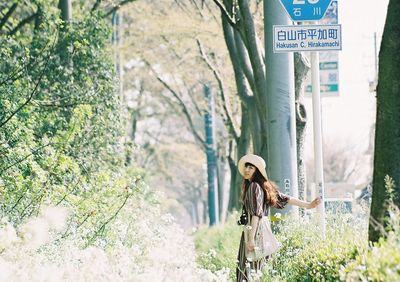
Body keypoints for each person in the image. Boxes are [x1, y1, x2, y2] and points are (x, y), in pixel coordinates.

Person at [236, 154, 321, 282]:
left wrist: (251, 239)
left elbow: (256, 214)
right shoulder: (263, 187)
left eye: (251, 168)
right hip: (262, 232)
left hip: (254, 231)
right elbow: (287, 199)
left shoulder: (254, 186)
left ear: (257, 171)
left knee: (247, 270)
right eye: (246, 167)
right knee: (259, 269)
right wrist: (307, 205)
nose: (246, 170)